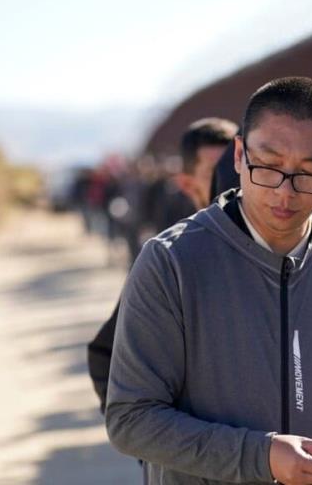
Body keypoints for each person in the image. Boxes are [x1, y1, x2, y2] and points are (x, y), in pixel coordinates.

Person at [106, 76, 312, 485]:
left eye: (309, 173)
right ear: (238, 155)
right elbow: (131, 419)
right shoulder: (172, 262)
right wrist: (261, 455)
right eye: (268, 166)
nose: (285, 193)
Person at [87, 117, 238, 413]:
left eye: (240, 167)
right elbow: (108, 361)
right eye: (216, 172)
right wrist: (157, 450)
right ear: (186, 183)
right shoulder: (169, 260)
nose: (234, 181)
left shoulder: (281, 248)